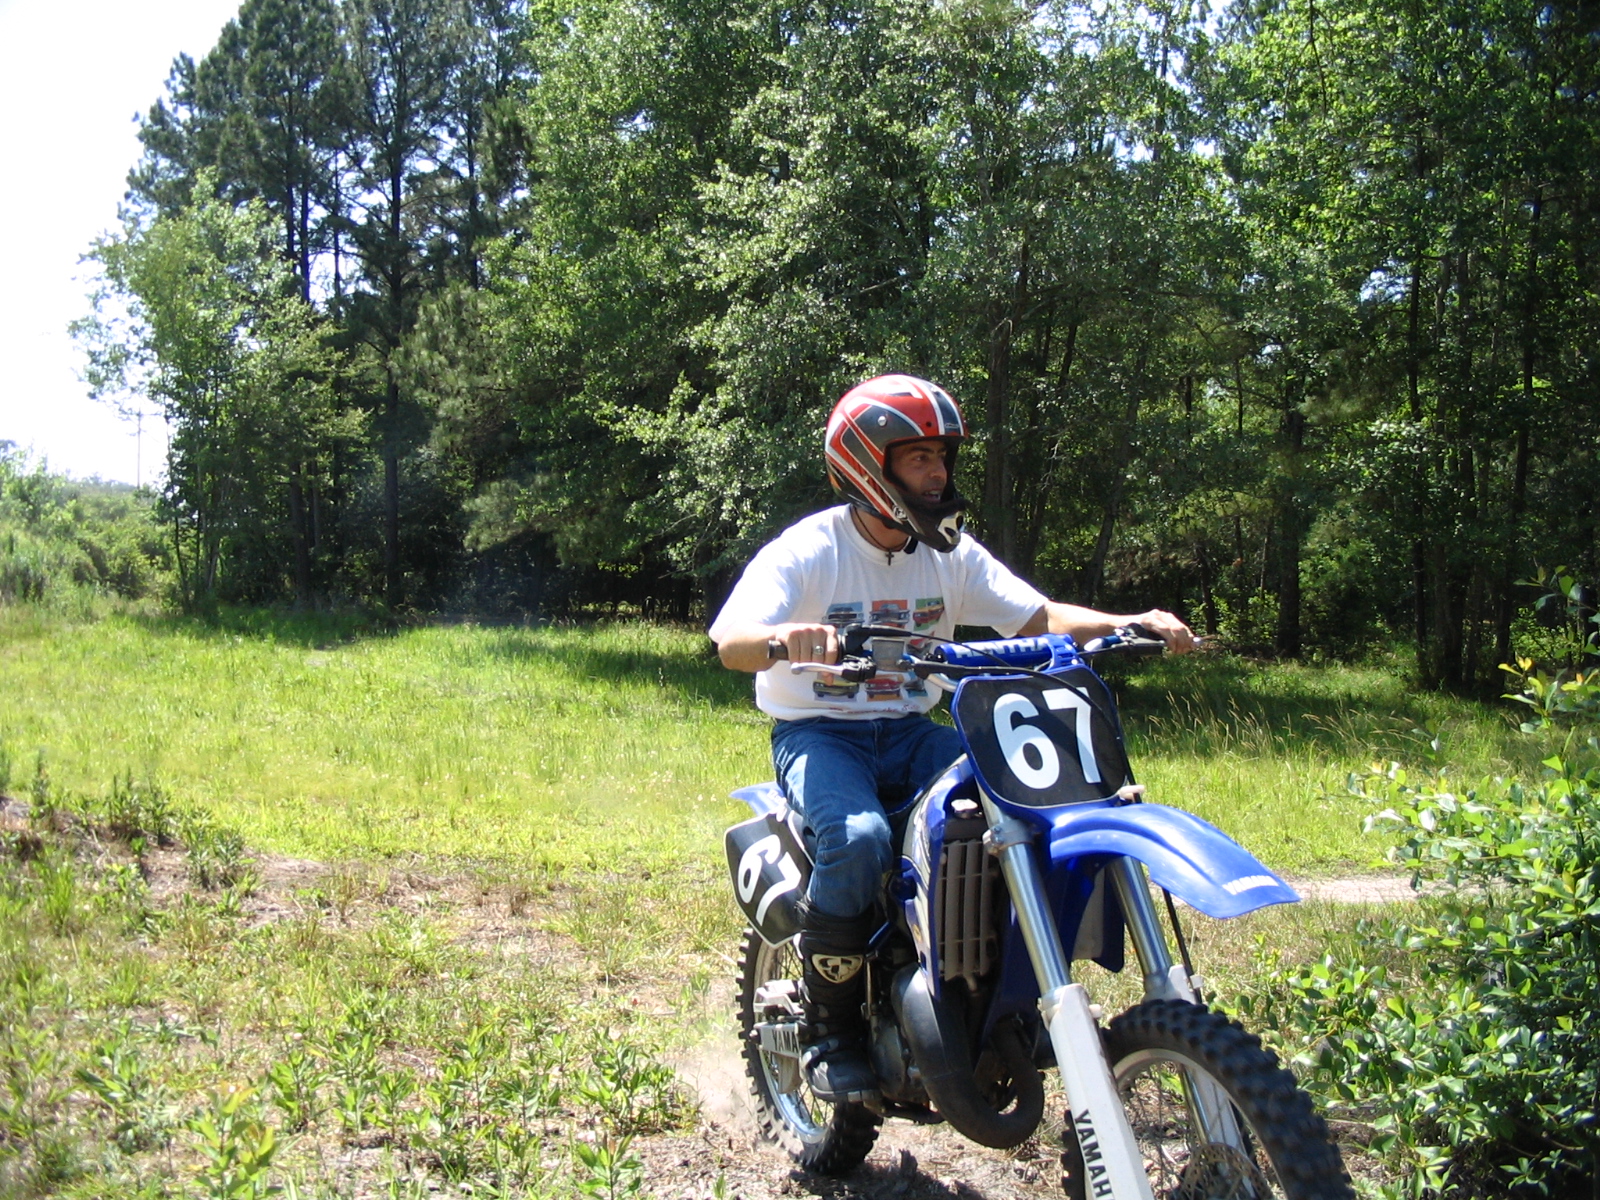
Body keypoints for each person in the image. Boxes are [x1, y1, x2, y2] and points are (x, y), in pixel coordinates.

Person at [709, 373, 1194, 1103]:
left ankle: (993, 999)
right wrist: (783, 639)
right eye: (919, 458)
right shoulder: (810, 549)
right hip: (820, 733)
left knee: (1013, 815)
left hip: (912, 729)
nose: (938, 473)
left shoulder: (949, 554)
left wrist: (1132, 620)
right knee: (861, 836)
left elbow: (1037, 618)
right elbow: (731, 641)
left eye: (942, 457)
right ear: (869, 465)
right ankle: (830, 1029)